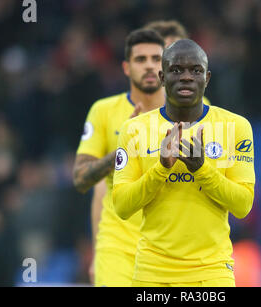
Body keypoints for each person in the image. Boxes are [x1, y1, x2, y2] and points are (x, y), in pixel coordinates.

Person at [112, 39, 255, 287]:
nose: (186, 77)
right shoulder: (134, 129)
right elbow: (122, 206)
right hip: (151, 273)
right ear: (161, 77)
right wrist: (161, 169)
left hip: (211, 273)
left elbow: (243, 206)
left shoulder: (235, 127)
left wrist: (202, 170)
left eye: (195, 70)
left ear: (207, 78)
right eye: (176, 70)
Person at [72, 28, 166, 287]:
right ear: (126, 68)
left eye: (156, 59)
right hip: (118, 250)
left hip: (170, 251)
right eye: (140, 59)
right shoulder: (103, 111)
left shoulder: (190, 112)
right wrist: (122, 150)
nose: (149, 66)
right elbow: (81, 179)